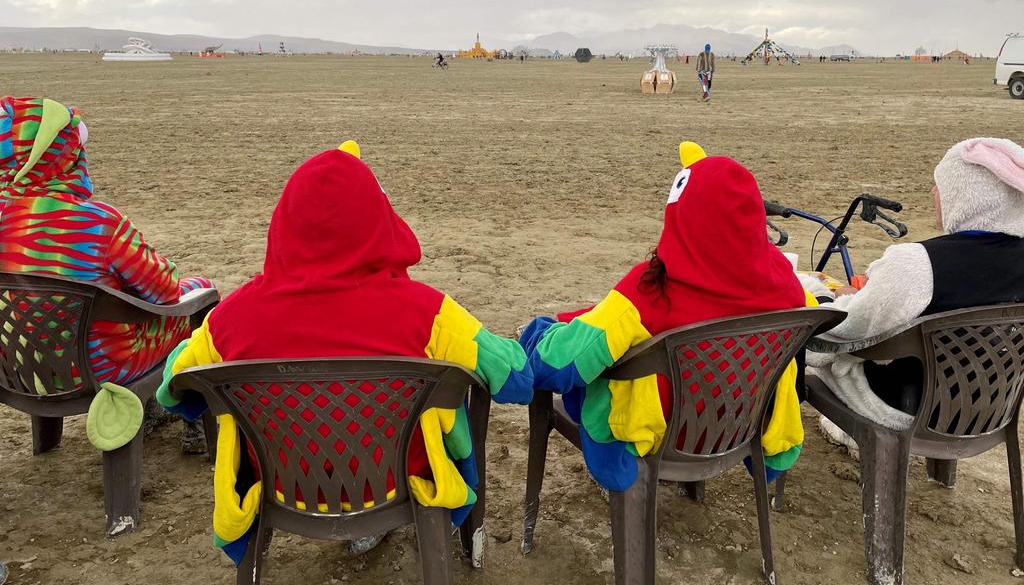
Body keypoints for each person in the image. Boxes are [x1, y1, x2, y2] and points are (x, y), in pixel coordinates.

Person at [157, 140, 533, 563]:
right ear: (380, 222)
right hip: (395, 483)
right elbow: (515, 379)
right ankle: (384, 528)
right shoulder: (428, 312)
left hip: (283, 485)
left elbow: (172, 388)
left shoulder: (231, 319)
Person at [519, 141, 817, 491]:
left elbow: (559, 365)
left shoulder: (648, 291)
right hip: (739, 426)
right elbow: (816, 310)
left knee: (547, 334)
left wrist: (537, 337)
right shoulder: (783, 286)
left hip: (656, 437)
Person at [0, 96, 216, 451]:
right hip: (101, 368)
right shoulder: (97, 223)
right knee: (201, 294)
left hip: (24, 367)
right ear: (65, 154)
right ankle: (190, 415)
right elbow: (165, 293)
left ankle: (48, 440)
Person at [806, 137, 1024, 431]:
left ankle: (830, 438)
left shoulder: (918, 263)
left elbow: (846, 331)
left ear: (966, 192)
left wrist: (825, 302)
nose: (934, 193)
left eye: (940, 186)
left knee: (810, 352)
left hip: (909, 407)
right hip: (993, 406)